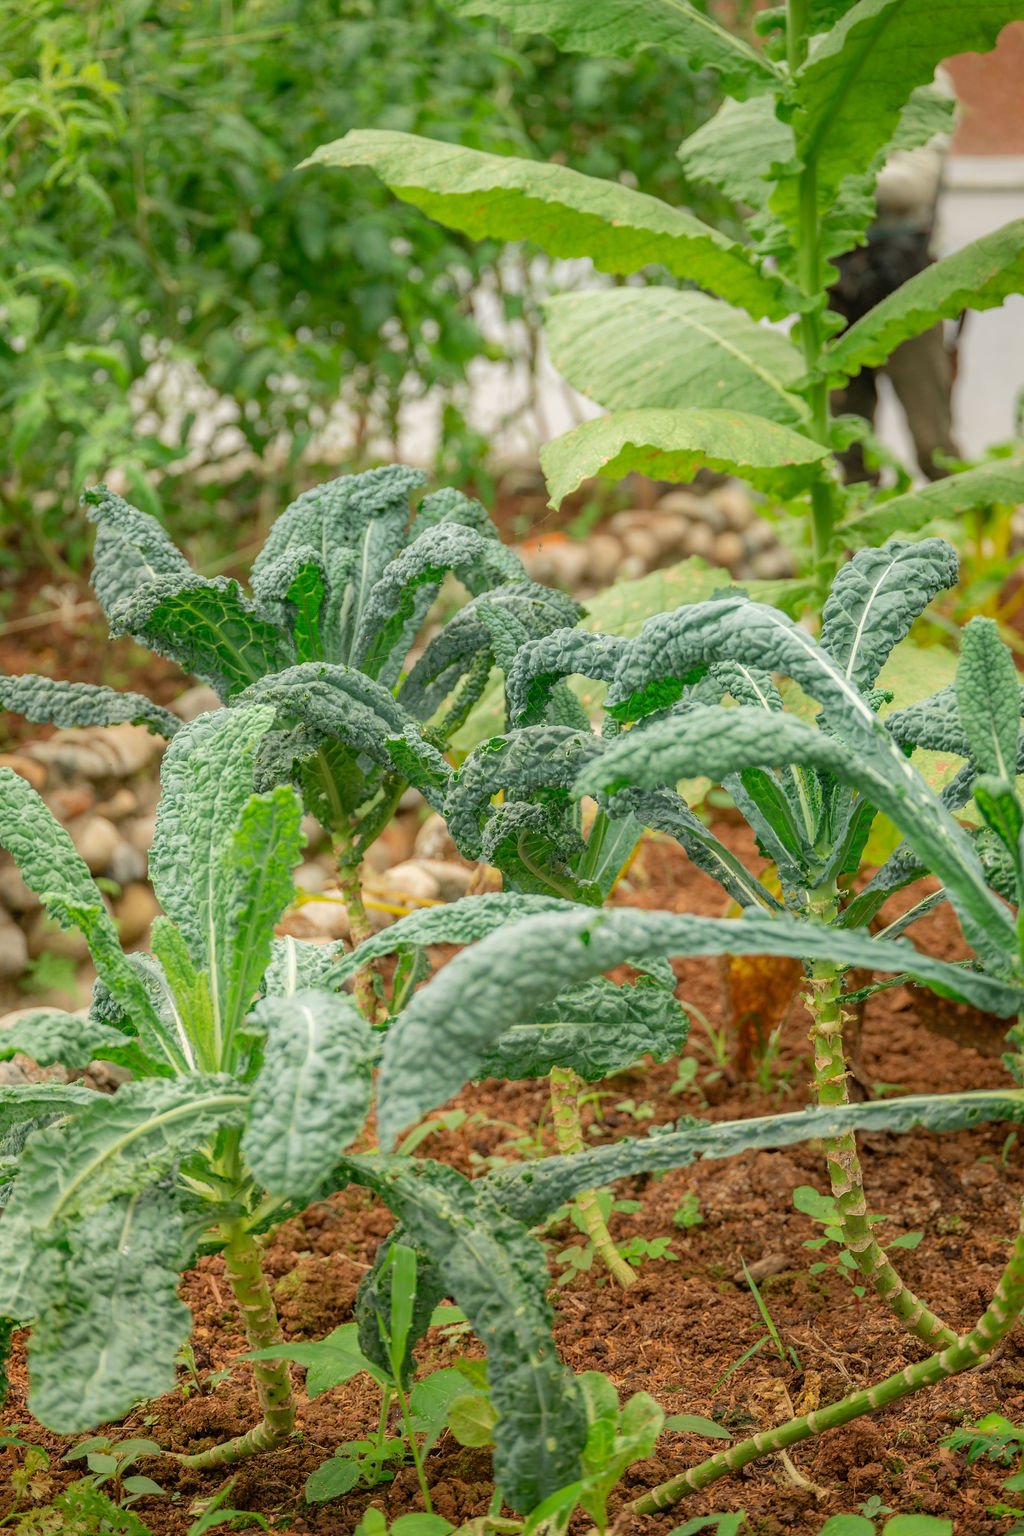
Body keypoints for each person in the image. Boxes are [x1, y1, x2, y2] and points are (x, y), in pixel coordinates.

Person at [830, 84, 962, 483]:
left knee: (933, 441)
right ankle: (860, 542)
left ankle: (972, 539)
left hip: (906, 288)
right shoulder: (827, 71)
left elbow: (910, 185)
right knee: (849, 441)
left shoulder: (926, 81)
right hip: (837, 285)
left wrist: (828, 176)